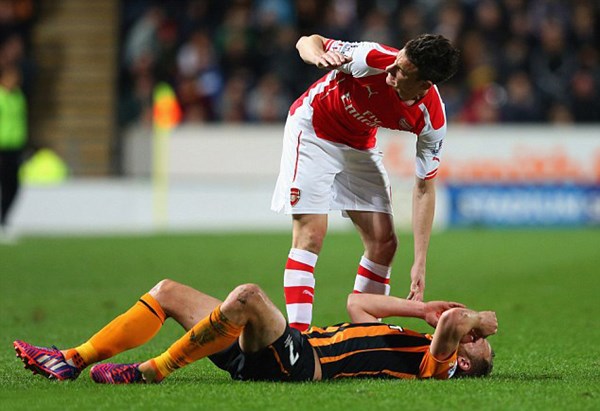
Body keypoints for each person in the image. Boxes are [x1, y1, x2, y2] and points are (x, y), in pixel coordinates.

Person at [271, 34, 460, 331]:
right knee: (311, 233)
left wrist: (420, 262)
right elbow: (307, 41)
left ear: (424, 85)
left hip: (358, 145)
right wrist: (318, 56)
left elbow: (424, 188)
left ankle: (365, 336)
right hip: (313, 130)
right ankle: (297, 340)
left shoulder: (431, 119)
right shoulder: (371, 58)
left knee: (384, 243)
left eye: (401, 71)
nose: (391, 69)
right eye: (397, 60)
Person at [14, 278, 497, 383]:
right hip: (277, 350)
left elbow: (454, 323)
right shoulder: (406, 340)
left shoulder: (435, 366)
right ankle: (73, 359)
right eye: (482, 337)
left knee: (247, 297)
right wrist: (421, 308)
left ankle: (150, 371)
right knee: (167, 292)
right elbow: (358, 302)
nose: (479, 338)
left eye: (480, 346)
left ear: (463, 359)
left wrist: (477, 319)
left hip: (303, 363)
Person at [0, 64, 28, 242]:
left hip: (15, 148)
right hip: (1, 148)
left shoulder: (18, 97)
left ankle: (3, 221)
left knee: (13, 187)